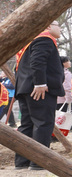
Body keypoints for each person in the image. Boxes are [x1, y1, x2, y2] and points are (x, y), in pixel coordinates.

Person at [13, 21, 63, 169]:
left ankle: (22, 162)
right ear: (48, 26)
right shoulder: (45, 39)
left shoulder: (28, 43)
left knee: (27, 125)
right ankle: (39, 162)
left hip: (25, 88)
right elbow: (37, 61)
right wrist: (40, 83)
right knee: (43, 123)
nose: (60, 29)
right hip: (39, 89)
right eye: (58, 25)